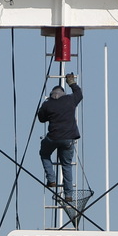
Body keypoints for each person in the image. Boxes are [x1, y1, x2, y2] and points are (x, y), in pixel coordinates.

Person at [37, 73, 83, 202]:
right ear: (62, 93)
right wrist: (72, 83)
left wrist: (45, 110)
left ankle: (51, 179)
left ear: (52, 94)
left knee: (44, 154)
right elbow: (79, 94)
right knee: (66, 165)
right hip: (68, 139)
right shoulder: (70, 100)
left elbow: (41, 118)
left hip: (53, 137)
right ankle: (68, 195)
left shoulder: (48, 104)